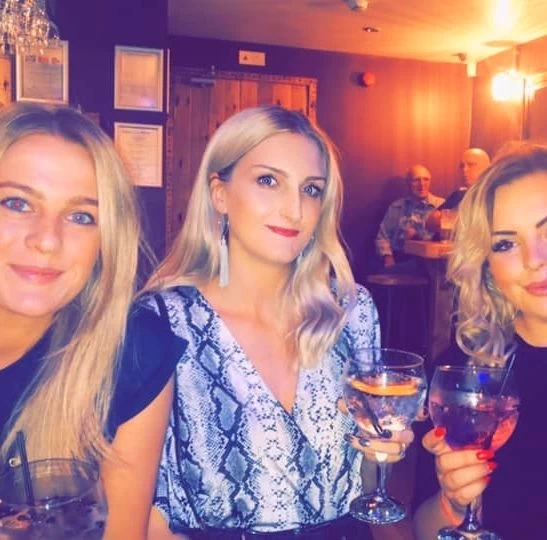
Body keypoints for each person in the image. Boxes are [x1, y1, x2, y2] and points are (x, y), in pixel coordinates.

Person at [143, 105, 410, 539]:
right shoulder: (164, 321)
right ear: (219, 194)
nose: (294, 209)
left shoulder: (350, 310)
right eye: (269, 180)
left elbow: (365, 489)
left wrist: (380, 452)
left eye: (311, 189)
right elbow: (146, 513)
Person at [0, 103, 185, 539]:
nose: (47, 240)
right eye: (17, 203)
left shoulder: (131, 354)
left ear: (106, 243)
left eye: (81, 216)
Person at [413, 144, 547, 539]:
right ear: (487, 268)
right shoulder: (463, 374)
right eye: (505, 243)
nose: (534, 258)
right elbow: (424, 530)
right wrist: (453, 503)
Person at [375, 164, 444, 269]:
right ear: (408, 183)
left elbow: (445, 241)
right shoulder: (396, 206)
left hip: (428, 263)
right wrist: (388, 258)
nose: (422, 184)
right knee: (369, 268)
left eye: (426, 179)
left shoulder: (442, 206)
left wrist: (417, 237)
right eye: (416, 180)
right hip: (399, 259)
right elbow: (382, 237)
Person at [426, 148, 490, 235]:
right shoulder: (459, 194)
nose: (464, 169)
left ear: (487, 169)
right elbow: (430, 223)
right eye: (462, 166)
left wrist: (450, 220)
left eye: (471, 165)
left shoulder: (495, 196)